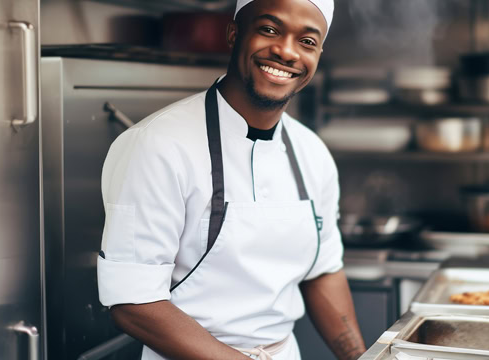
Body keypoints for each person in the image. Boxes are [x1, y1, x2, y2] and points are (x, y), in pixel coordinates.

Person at [97, 0, 366, 359]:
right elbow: (133, 303)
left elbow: (323, 272)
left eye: (306, 41)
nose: (286, 51)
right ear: (234, 33)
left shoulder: (312, 152)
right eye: (269, 30)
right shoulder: (158, 146)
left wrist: (361, 357)